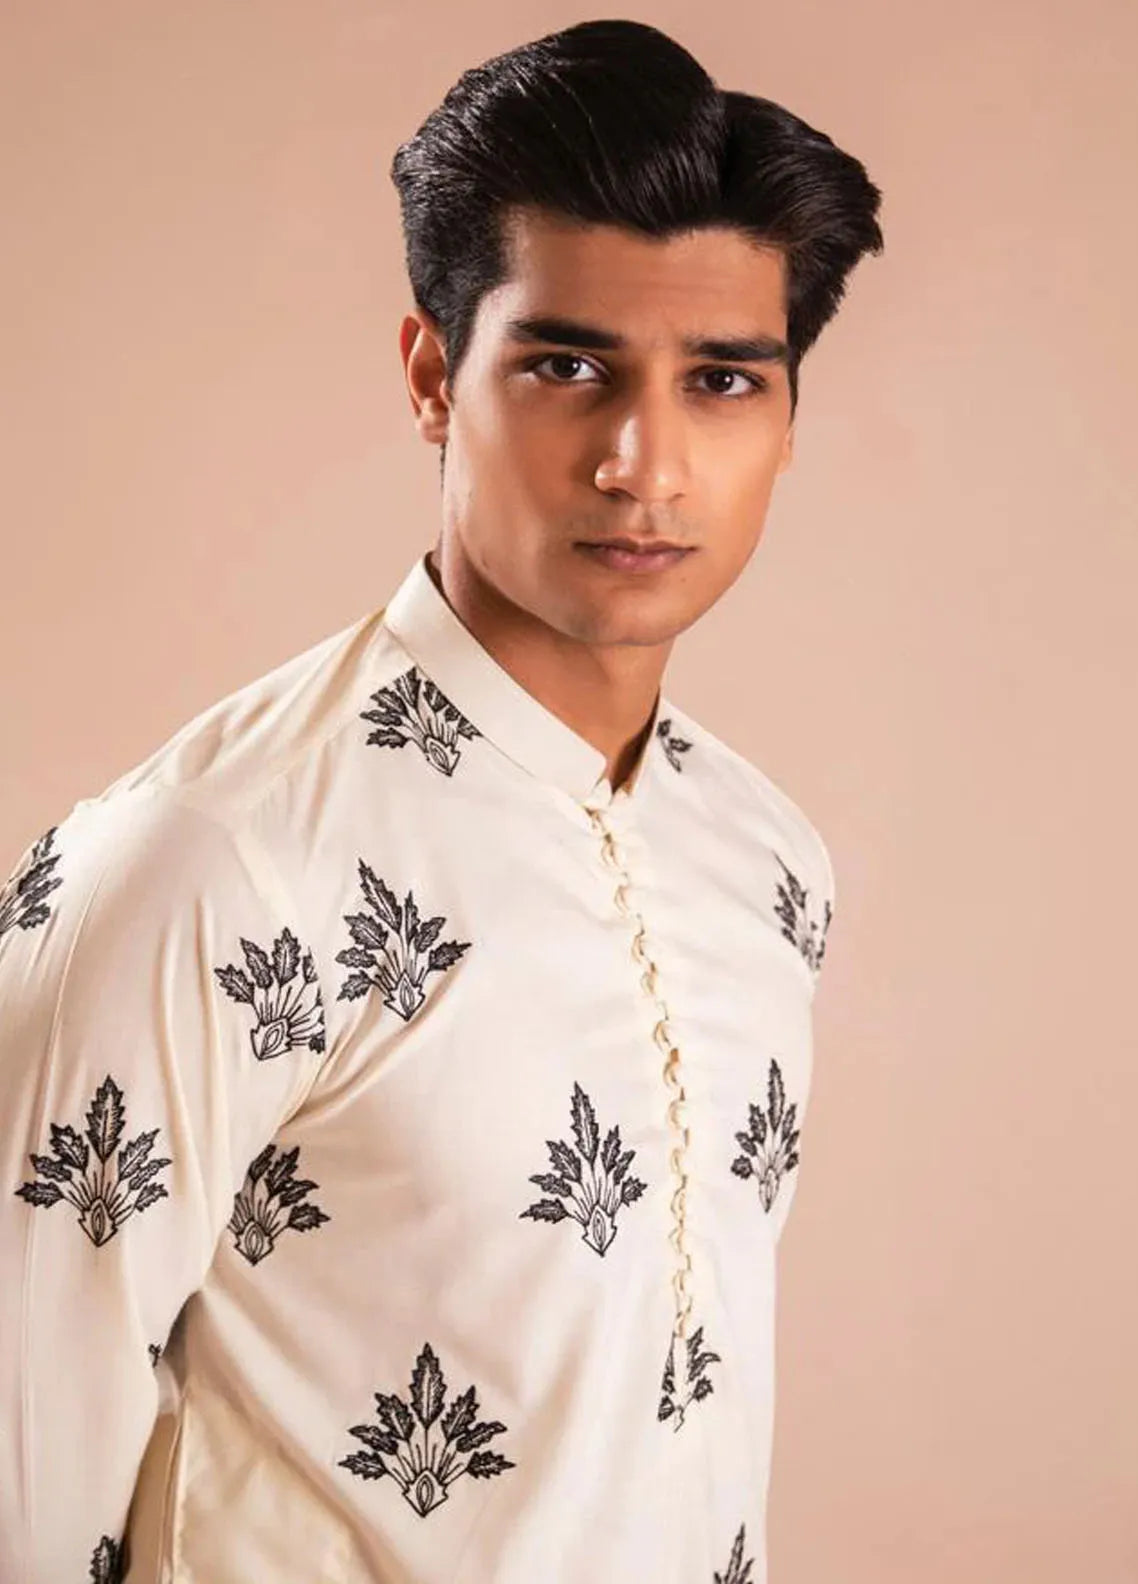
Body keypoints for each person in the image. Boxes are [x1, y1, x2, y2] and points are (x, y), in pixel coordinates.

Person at [0, 17, 882, 1582]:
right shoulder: (212, 863)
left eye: (721, 381)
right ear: (431, 375)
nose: (644, 463)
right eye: (566, 367)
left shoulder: (763, 858)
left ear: (787, 419)